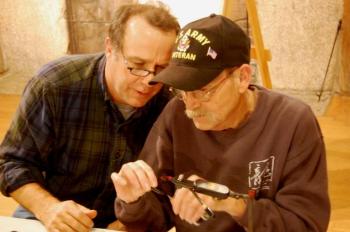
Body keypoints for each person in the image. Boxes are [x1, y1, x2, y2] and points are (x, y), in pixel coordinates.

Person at [111, 14, 331, 232]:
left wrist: (235, 205)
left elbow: (307, 224)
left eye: (202, 91)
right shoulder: (177, 112)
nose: (190, 105)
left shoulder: (291, 122)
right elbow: (157, 218)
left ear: (243, 77)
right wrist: (133, 200)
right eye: (182, 91)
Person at [0, 3, 179, 231]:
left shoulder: (171, 104)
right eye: (136, 66)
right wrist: (48, 208)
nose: (149, 81)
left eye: (162, 68)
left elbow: (169, 188)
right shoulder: (54, 85)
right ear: (109, 47)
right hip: (51, 210)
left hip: (127, 219)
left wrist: (126, 222)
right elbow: (11, 162)